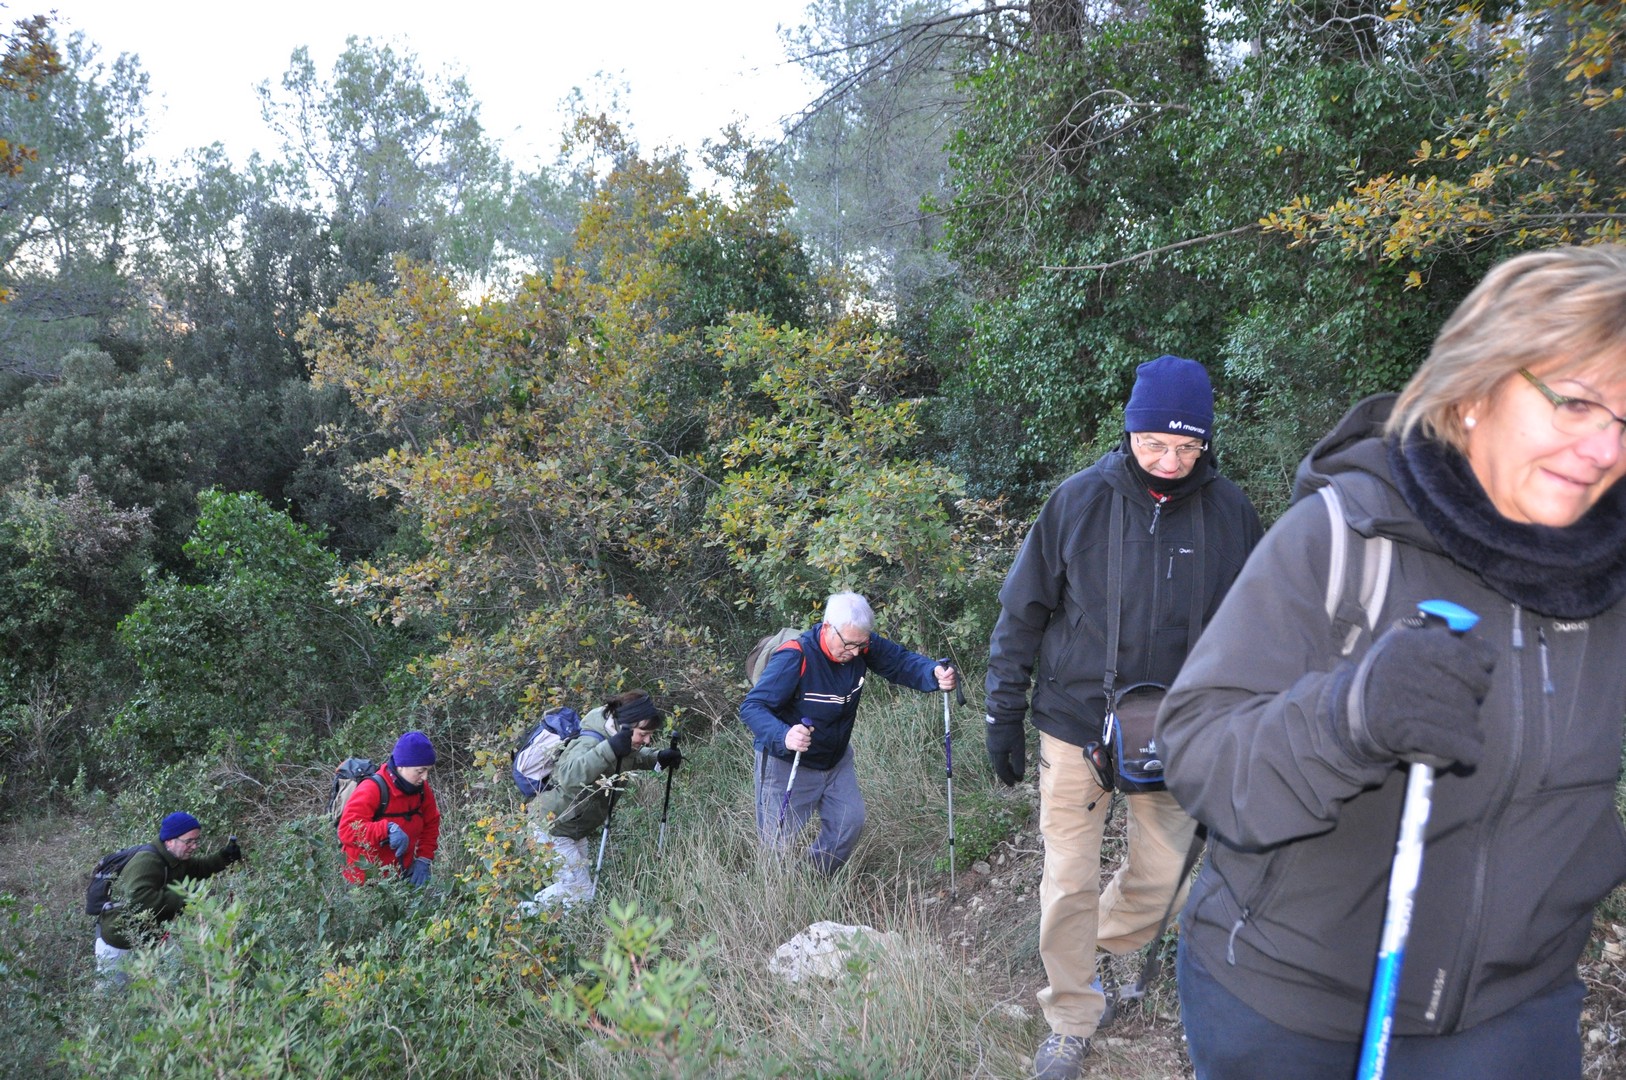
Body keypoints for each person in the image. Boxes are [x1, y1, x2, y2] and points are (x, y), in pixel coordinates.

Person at [1158, 245, 1626, 1080]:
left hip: (1514, 1016)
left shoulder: (1609, 583)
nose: (1603, 449)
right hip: (1297, 1015)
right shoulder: (1349, 534)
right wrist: (1350, 718)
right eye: (1576, 401)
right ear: (1475, 390)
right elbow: (1200, 752)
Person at [983, 354, 1263, 1080]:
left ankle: (1088, 945)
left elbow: (1257, 630)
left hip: (1176, 731)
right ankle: (1071, 1016)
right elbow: (1022, 612)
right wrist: (1002, 711)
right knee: (1068, 877)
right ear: (1129, 432)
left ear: (1206, 442)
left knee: (1166, 878)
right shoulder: (1078, 502)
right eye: (1153, 443)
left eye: (1187, 446)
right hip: (1075, 722)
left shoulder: (1231, 514)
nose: (1169, 461)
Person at [741, 591, 958, 873]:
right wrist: (784, 735)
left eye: (861, 644)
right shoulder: (795, 656)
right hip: (787, 762)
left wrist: (933, 673)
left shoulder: (861, 644)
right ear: (828, 627)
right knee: (777, 843)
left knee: (848, 824)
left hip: (836, 760)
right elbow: (752, 707)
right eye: (849, 644)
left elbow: (901, 662)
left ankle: (813, 879)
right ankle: (779, 891)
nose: (855, 652)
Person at [525, 689, 680, 910]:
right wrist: (610, 749)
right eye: (643, 733)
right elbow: (569, 776)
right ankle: (524, 916)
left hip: (573, 826)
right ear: (627, 725)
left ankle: (530, 916)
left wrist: (658, 757)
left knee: (574, 889)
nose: (647, 740)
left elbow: (629, 759)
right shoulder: (590, 740)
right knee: (581, 895)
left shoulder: (618, 736)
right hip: (551, 826)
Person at [94, 811, 243, 984]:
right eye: (189, 841)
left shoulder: (174, 857)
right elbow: (139, 900)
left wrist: (224, 857)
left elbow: (198, 868)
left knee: (172, 982)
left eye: (196, 841)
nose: (194, 846)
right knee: (114, 993)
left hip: (151, 938)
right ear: (170, 840)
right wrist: (186, 895)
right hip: (119, 942)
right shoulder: (147, 862)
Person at [338, 730, 442, 886]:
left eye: (428, 770)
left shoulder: (422, 790)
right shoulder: (372, 789)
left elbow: (431, 823)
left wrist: (424, 858)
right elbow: (346, 830)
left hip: (400, 877)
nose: (425, 777)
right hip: (363, 882)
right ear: (401, 766)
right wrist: (386, 829)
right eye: (420, 771)